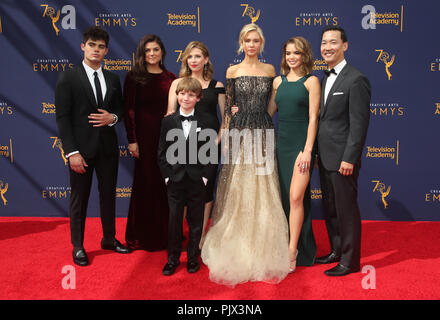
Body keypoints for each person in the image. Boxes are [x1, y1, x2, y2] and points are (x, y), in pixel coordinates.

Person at [201, 24, 290, 286]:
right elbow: (228, 107)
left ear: (262, 43)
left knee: (264, 185)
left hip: (262, 129)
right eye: (247, 40)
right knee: (239, 186)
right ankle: (235, 240)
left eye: (256, 40)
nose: (252, 44)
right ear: (241, 43)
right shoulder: (233, 71)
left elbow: (272, 103)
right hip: (238, 131)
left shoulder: (270, 70)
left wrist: (261, 118)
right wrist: (227, 134)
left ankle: (262, 242)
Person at [55, 26, 131, 267]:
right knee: (80, 198)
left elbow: (120, 109)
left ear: (106, 50)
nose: (96, 50)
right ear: (83, 47)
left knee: (108, 196)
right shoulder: (68, 77)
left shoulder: (112, 78)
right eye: (92, 45)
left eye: (101, 47)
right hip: (81, 152)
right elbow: (62, 117)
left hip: (108, 149)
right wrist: (72, 152)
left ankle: (109, 238)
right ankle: (78, 245)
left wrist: (114, 118)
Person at [316, 26, 371, 276]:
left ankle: (349, 261)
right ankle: (336, 251)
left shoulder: (356, 79)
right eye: (324, 43)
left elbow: (359, 125)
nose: (327, 47)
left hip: (343, 159)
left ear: (345, 46)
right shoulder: (324, 77)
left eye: (333, 42)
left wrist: (350, 158)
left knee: (346, 209)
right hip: (325, 157)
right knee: (331, 208)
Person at [267, 36, 320, 272]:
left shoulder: (311, 82)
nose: (291, 57)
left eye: (296, 53)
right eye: (288, 53)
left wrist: (308, 150)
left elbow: (313, 118)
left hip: (301, 147)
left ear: (304, 55)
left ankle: (292, 250)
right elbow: (268, 113)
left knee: (296, 197)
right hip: (281, 147)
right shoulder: (278, 82)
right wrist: (240, 111)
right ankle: (292, 245)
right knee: (284, 200)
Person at [166, 41, 226, 249]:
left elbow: (225, 118)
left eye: (198, 56)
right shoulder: (177, 84)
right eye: (190, 56)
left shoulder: (217, 86)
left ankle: (200, 237)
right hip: (182, 148)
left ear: (206, 59)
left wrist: (215, 143)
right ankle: (179, 237)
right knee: (180, 190)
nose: (194, 60)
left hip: (208, 147)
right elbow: (170, 116)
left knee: (205, 192)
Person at [158, 77, 218, 276]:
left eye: (191, 95)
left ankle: (193, 258)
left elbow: (210, 154)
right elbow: (162, 152)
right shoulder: (168, 121)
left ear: (198, 98)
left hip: (196, 180)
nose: (186, 98)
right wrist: (167, 176)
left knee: (196, 222)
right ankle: (172, 259)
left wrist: (205, 178)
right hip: (174, 180)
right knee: (174, 221)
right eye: (182, 94)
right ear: (177, 95)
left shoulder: (207, 121)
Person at [123, 34, 176, 251]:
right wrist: (132, 140)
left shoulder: (171, 78)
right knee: (145, 184)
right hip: (144, 138)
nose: (152, 54)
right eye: (148, 51)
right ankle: (143, 235)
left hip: (166, 138)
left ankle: (164, 234)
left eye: (156, 49)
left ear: (162, 52)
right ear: (142, 54)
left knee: (165, 186)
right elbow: (128, 110)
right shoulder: (135, 77)